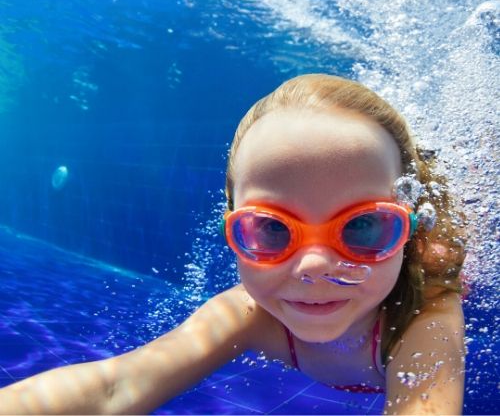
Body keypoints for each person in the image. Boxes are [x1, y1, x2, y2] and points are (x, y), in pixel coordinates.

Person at [0, 74, 467, 415]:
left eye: (364, 227)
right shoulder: (248, 316)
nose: (314, 265)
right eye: (273, 230)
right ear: (234, 230)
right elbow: (114, 388)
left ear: (407, 230)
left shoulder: (423, 316)